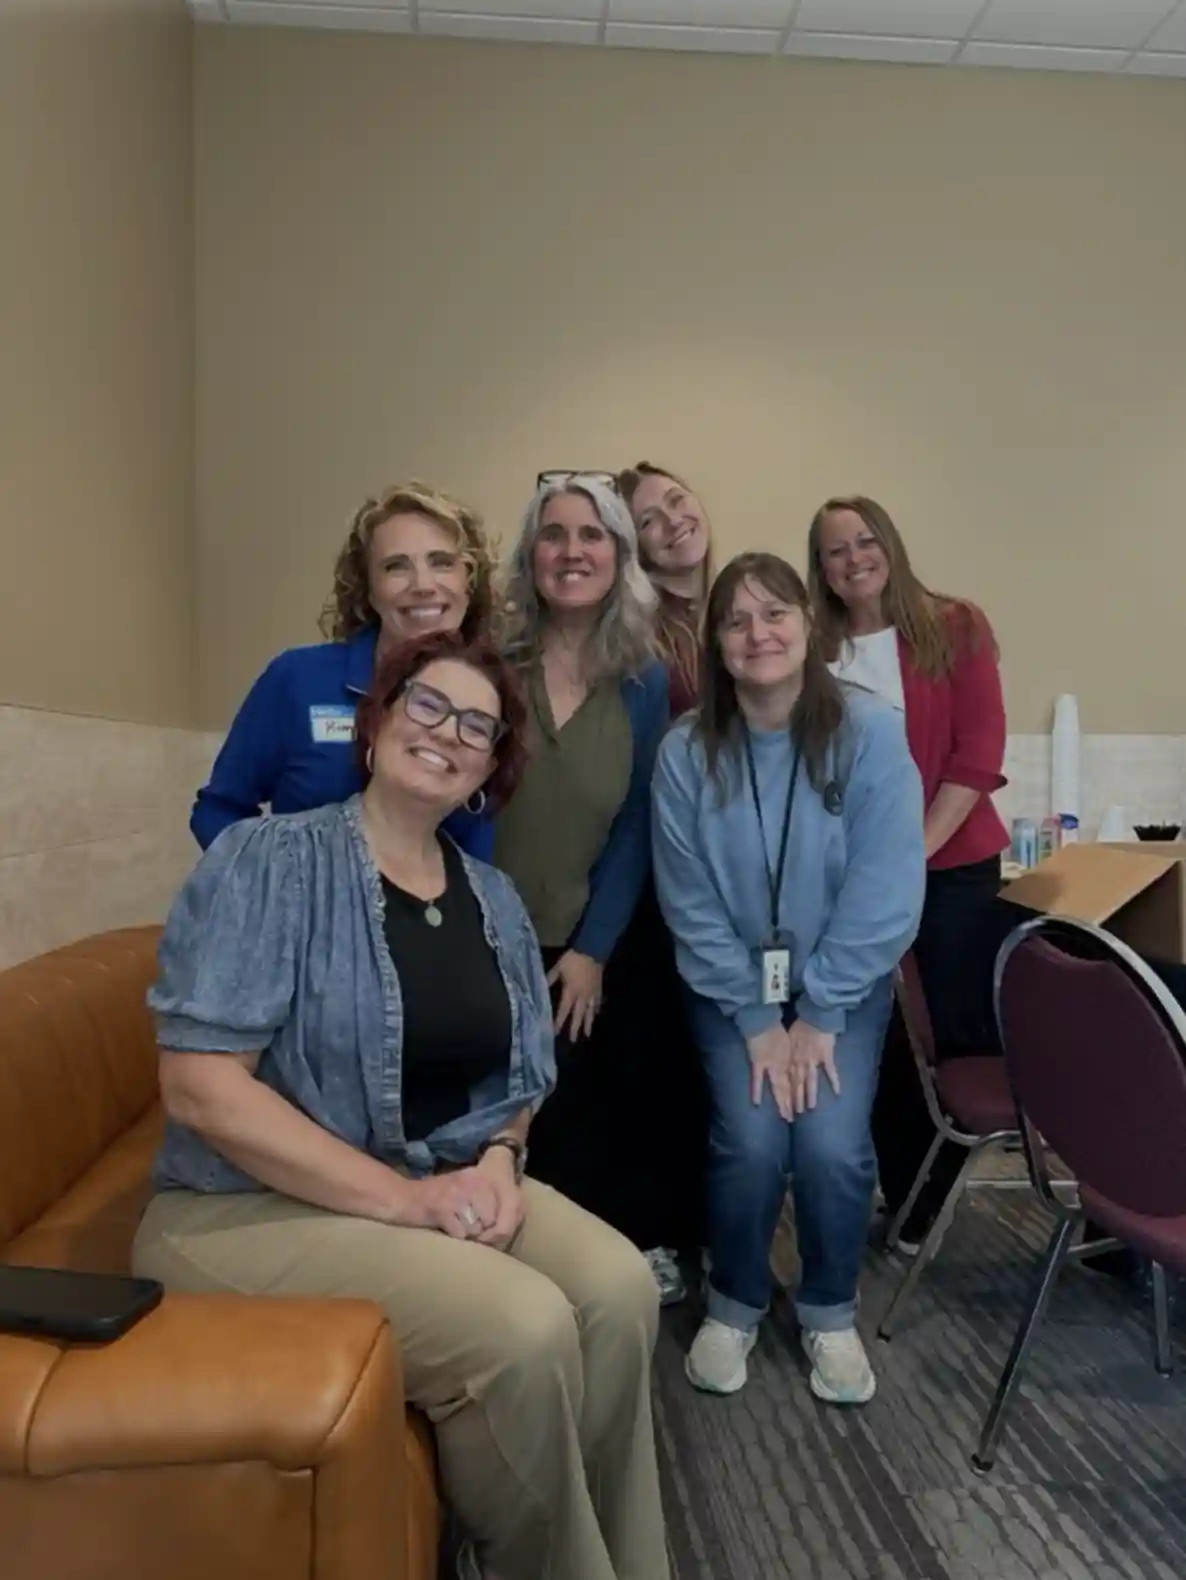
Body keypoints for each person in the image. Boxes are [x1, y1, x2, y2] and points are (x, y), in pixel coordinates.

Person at [134, 631, 671, 1580]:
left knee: (620, 1288)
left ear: (488, 772)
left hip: (436, 1174)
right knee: (524, 1328)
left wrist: (502, 1161)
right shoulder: (270, 860)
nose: (447, 733)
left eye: (478, 726)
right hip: (238, 1210)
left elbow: (519, 1079)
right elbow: (201, 1089)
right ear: (376, 722)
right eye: (427, 705)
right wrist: (409, 1205)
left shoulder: (493, 898)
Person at [652, 552, 925, 1403]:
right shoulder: (684, 753)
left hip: (843, 990)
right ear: (717, 645)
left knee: (834, 1147)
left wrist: (821, 1012)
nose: (757, 634)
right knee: (754, 1139)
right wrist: (757, 1018)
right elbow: (688, 900)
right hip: (730, 988)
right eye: (736, 621)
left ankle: (828, 1310)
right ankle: (734, 1301)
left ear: (811, 628)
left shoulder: (872, 732)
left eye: (776, 614)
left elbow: (886, 890)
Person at [808, 495, 1009, 1252]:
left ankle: (942, 1198)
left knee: (951, 1034)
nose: (854, 558)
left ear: (889, 544)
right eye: (835, 550)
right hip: (850, 879)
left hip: (949, 864)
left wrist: (911, 858)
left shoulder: (953, 626)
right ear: (820, 569)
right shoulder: (815, 648)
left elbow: (977, 754)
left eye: (865, 541)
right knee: (879, 1032)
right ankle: (910, 1189)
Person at [493, 472, 675, 1296]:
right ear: (530, 555)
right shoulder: (488, 661)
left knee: (590, 1106)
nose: (572, 551)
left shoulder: (645, 679)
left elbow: (638, 822)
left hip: (588, 935)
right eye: (554, 533)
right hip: (484, 932)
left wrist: (595, 949)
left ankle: (606, 1262)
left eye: (592, 534)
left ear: (620, 555)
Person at [191, 480, 497, 857]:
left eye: (442, 563)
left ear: (469, 580)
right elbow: (217, 810)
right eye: (396, 566)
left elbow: (481, 844)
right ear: (369, 590)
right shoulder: (298, 679)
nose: (423, 585)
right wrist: (278, 888)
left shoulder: (490, 699)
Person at [616, 462, 712, 717]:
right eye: (648, 521)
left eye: (677, 499)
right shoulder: (640, 638)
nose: (673, 520)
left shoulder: (736, 603)